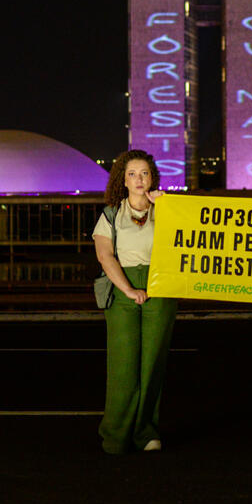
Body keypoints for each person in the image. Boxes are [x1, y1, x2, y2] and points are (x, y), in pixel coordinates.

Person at [92, 149, 175, 454]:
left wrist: (167, 209)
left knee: (153, 363)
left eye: (144, 173)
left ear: (152, 177)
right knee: (124, 363)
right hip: (122, 291)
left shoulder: (166, 209)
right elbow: (105, 255)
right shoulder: (112, 213)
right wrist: (128, 289)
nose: (139, 179)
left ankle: (146, 431)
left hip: (160, 289)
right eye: (132, 174)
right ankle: (115, 434)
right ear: (122, 180)